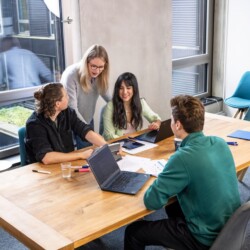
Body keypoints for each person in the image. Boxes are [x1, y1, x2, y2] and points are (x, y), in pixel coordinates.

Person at [124, 95, 241, 250]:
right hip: (231, 230)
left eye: (171, 119)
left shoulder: (182, 158)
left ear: (177, 124)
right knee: (172, 206)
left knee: (133, 232)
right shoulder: (220, 143)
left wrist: (164, 177)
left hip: (204, 237)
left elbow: (151, 201)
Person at [25, 83, 107, 165]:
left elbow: (84, 130)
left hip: (65, 165)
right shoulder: (34, 124)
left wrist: (107, 147)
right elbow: (46, 158)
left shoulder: (67, 112)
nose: (69, 97)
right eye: (66, 95)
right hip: (43, 171)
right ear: (57, 104)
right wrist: (81, 155)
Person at [61, 44, 111, 149]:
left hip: (87, 119)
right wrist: (88, 131)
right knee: (73, 157)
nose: (97, 71)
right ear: (86, 62)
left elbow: (110, 99)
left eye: (101, 67)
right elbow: (72, 109)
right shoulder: (71, 75)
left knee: (89, 156)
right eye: (93, 66)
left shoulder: (100, 76)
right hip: (69, 123)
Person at [102, 72, 161, 140]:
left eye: (128, 88)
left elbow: (156, 119)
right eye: (121, 88)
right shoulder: (110, 106)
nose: (124, 92)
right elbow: (109, 135)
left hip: (135, 143)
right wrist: (126, 139)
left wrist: (156, 124)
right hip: (117, 145)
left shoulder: (140, 103)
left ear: (134, 89)